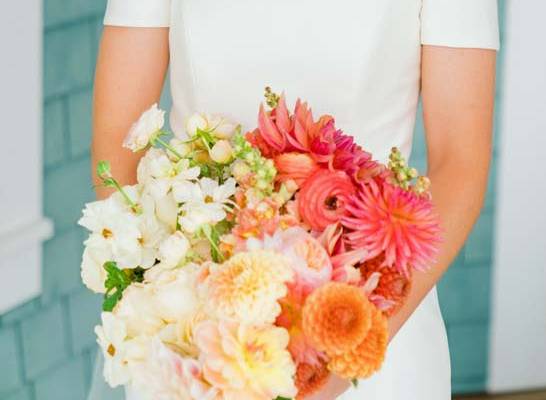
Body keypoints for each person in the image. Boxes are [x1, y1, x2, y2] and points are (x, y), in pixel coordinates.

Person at [89, 0, 498, 398]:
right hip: (195, 331)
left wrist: (346, 352)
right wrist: (176, 293)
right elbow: (118, 143)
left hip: (368, 316)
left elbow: (459, 166)